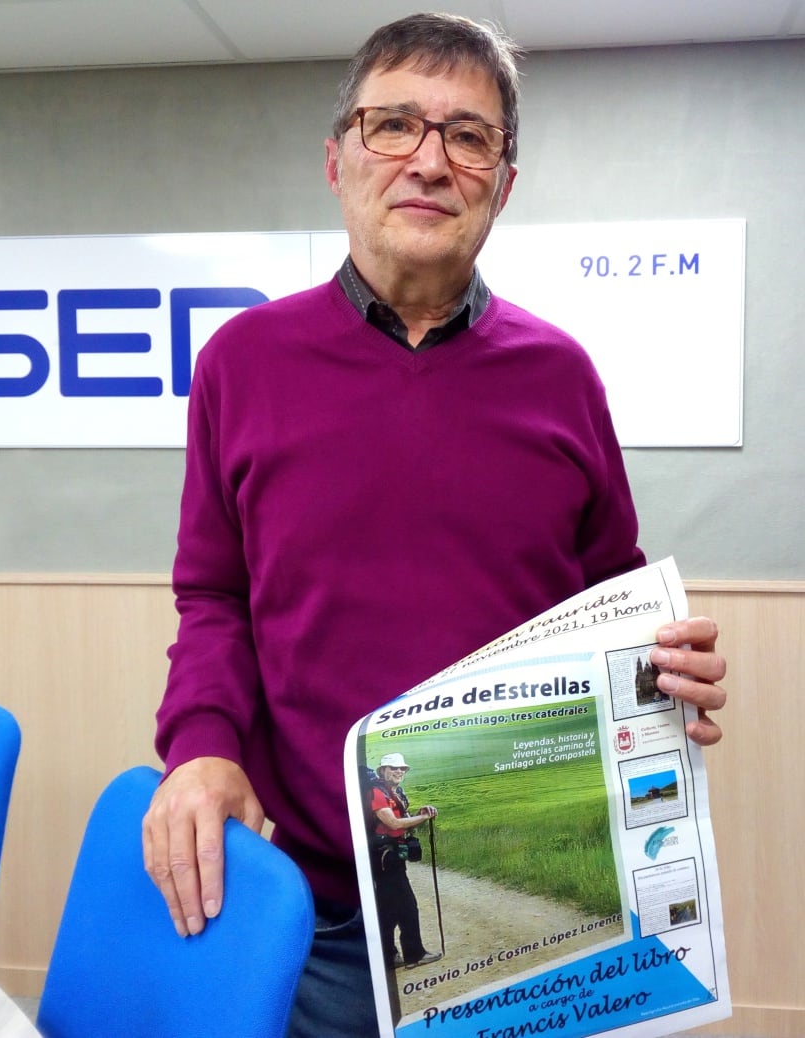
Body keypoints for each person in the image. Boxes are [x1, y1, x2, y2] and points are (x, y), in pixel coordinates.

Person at [142, 12, 728, 1037]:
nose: (428, 159)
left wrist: (660, 670)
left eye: (468, 136)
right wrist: (200, 743)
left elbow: (609, 603)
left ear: (502, 184)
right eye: (394, 125)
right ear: (337, 160)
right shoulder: (243, 363)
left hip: (529, 911)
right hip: (316, 907)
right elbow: (215, 595)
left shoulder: (561, 377)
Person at [366, 753, 441, 970]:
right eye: (393, 768)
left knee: (388, 908)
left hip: (388, 856)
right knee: (407, 905)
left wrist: (417, 815)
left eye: (402, 769)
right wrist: (423, 818)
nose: (399, 771)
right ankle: (414, 954)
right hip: (385, 856)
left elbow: (400, 822)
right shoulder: (377, 793)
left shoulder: (393, 792)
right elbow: (394, 823)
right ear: (382, 771)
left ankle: (389, 957)